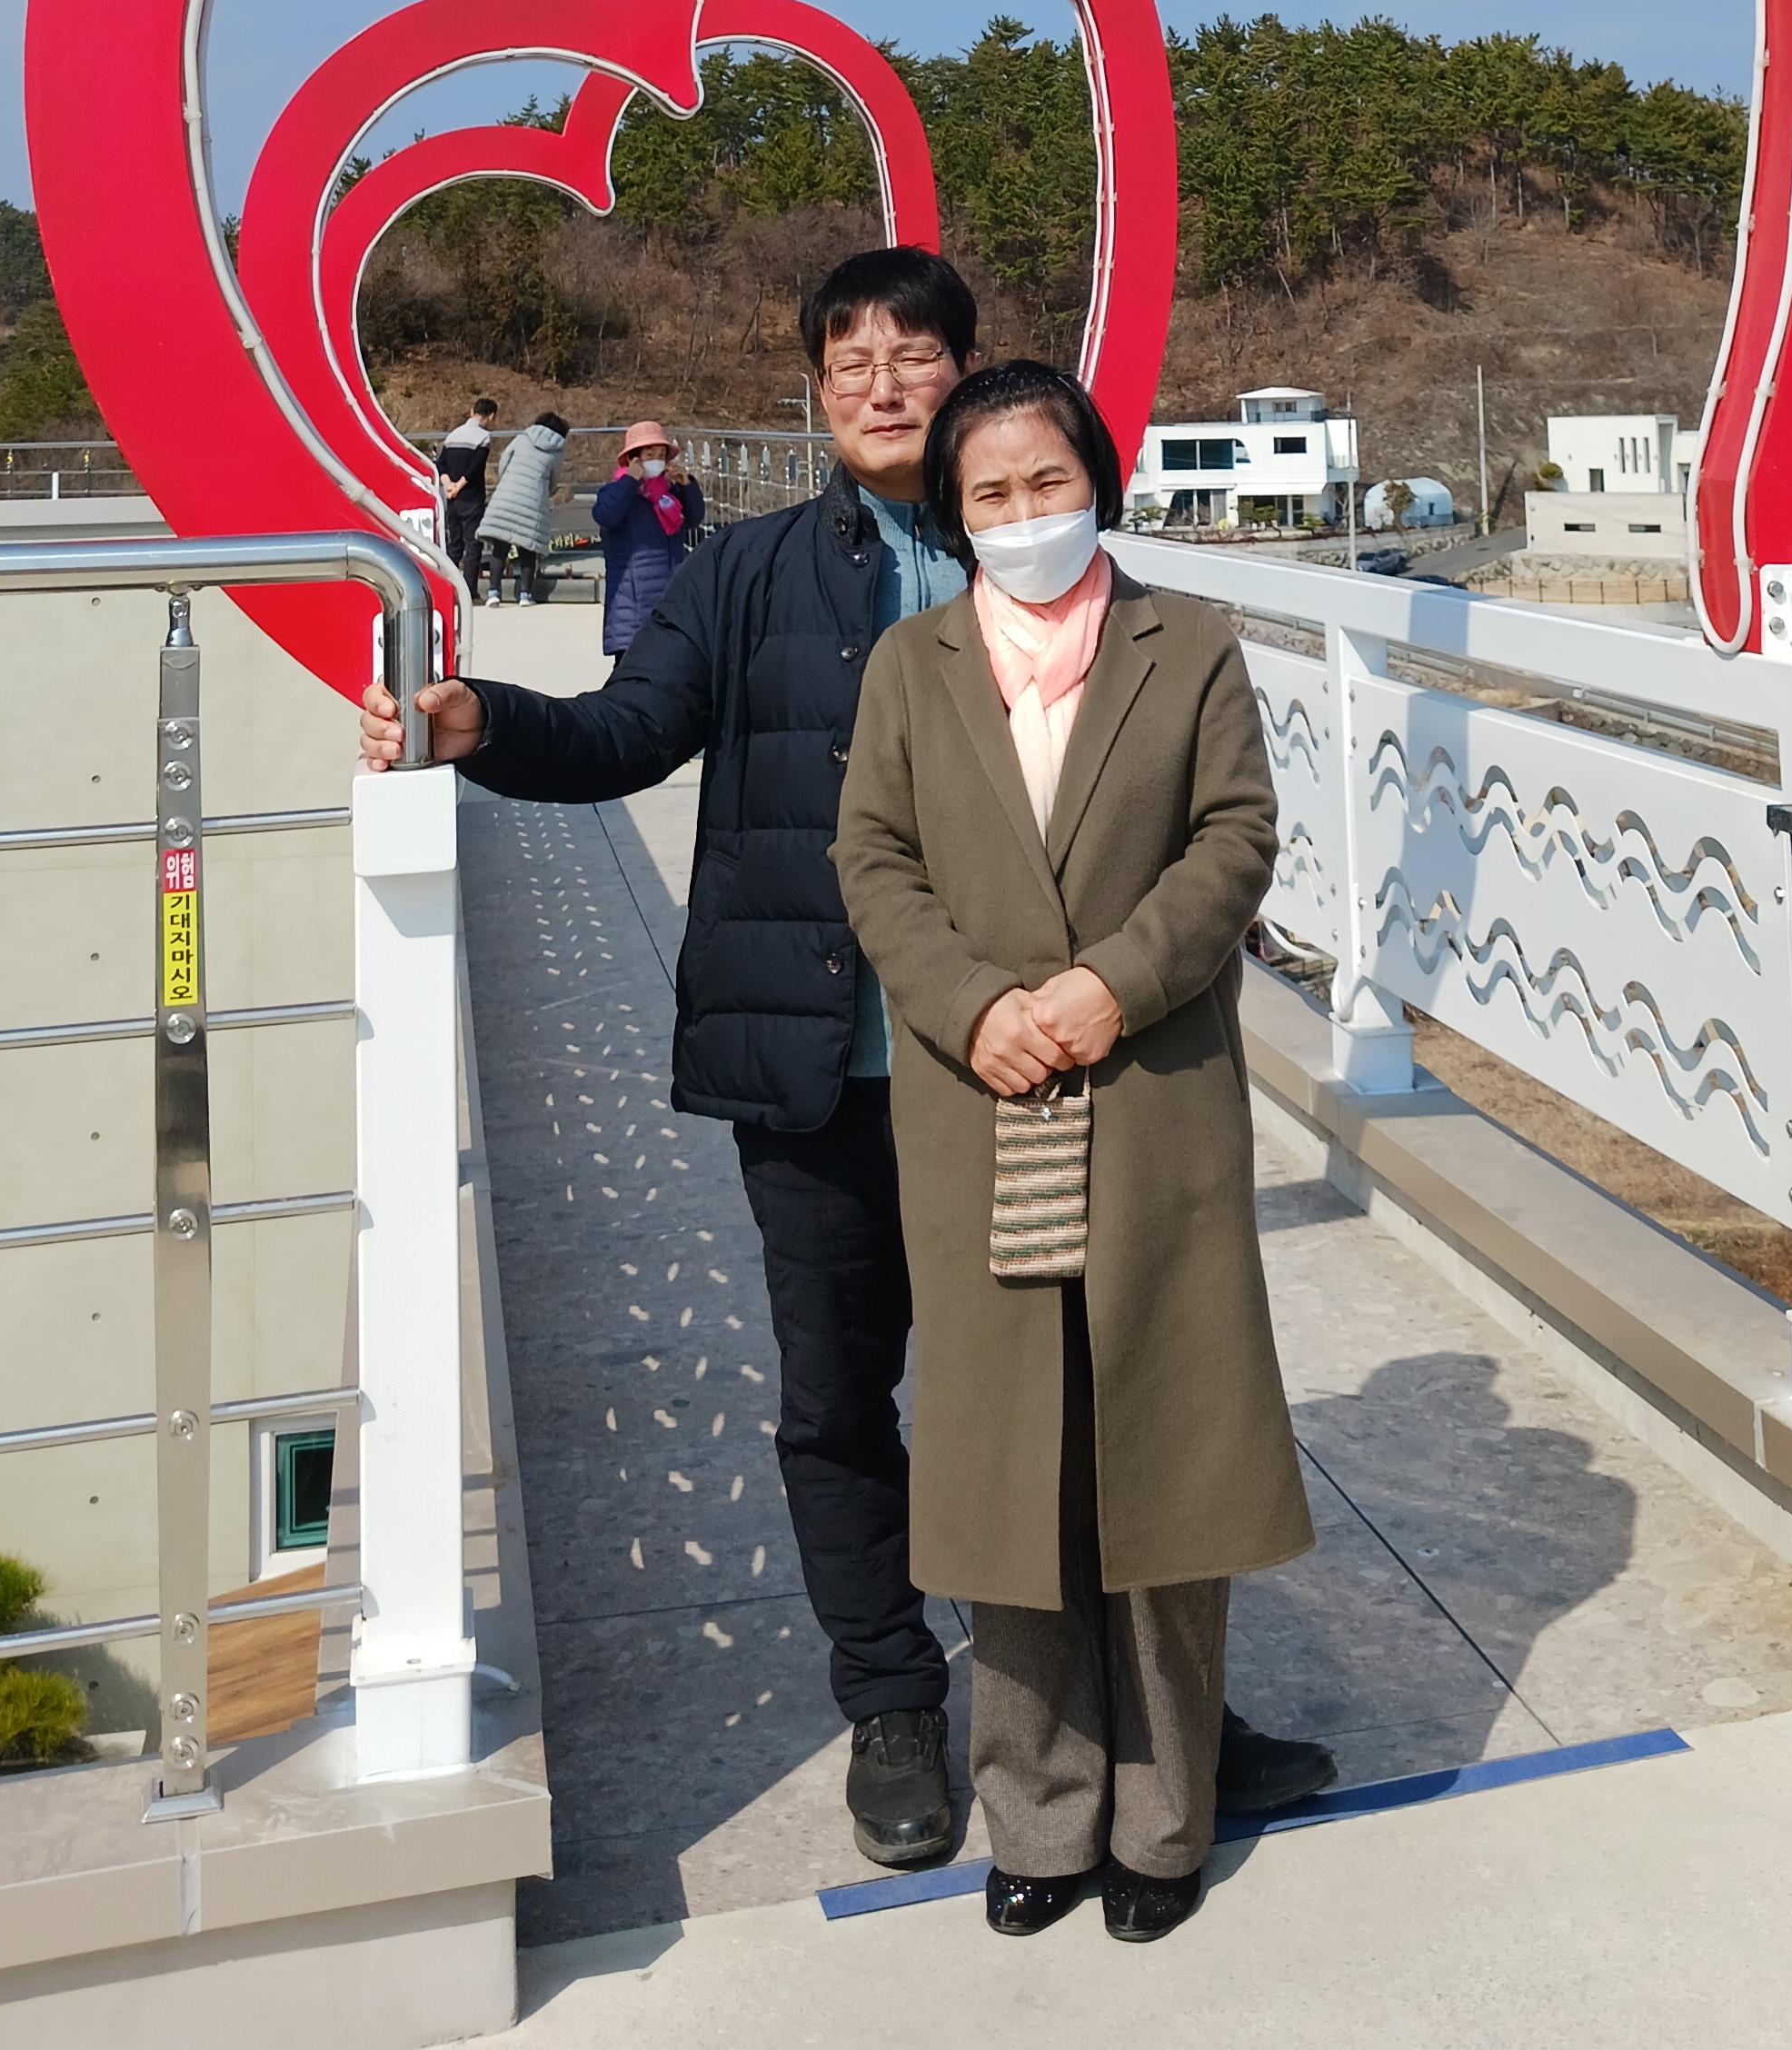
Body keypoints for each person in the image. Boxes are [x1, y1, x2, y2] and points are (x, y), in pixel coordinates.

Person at [355, 246, 1331, 1874]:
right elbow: (629, 730)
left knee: (1091, 1389)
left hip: (1030, 1069)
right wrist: (484, 725)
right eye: (848, 361)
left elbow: (1189, 806)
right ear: (816, 394)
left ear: (970, 373)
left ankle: (1161, 1726)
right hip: (824, 1062)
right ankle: (890, 1697)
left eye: (913, 353)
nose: (882, 383)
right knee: (840, 1402)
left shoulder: (1046, 559)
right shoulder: (745, 573)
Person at [832, 359, 1313, 1944]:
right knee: (1009, 1468)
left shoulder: (1192, 643)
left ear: (1096, 481)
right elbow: (873, 858)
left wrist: (1118, 982)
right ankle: (1037, 1815)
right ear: (952, 513)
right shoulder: (911, 665)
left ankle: (1167, 1822)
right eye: (990, 493)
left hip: (1150, 1089)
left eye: (1047, 481)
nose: (1023, 513)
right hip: (983, 1099)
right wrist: (974, 1006)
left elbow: (1235, 836)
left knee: (1163, 1456)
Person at [593, 420, 702, 665]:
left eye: (661, 455)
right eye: (649, 455)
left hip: (668, 598)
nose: (656, 461)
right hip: (632, 605)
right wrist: (629, 482)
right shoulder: (617, 492)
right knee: (631, 672)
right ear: (633, 458)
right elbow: (606, 515)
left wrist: (687, 485)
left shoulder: (668, 495)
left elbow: (695, 517)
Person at [472, 408, 569, 605]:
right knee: (528, 549)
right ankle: (525, 595)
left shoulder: (523, 438)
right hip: (533, 502)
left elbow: (504, 460)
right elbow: (554, 479)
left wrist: (507, 480)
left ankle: (493, 593)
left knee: (500, 547)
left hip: (507, 496)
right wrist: (545, 492)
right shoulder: (556, 450)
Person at [436, 399, 498, 584]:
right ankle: (469, 589)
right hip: (472, 497)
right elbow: (475, 468)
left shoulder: (453, 435)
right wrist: (459, 485)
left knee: (454, 544)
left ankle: (448, 586)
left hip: (451, 497)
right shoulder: (483, 437)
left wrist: (449, 485)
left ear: (472, 412)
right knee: (473, 544)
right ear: (491, 417)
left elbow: (441, 464)